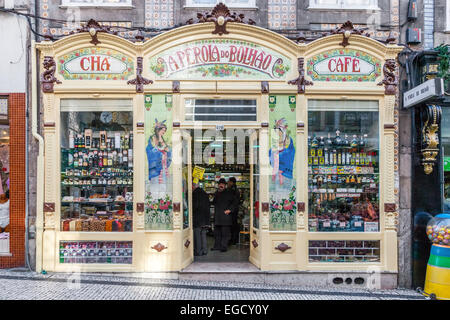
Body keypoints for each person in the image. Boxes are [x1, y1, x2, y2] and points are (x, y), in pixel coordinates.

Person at [211, 178, 238, 252]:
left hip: (226, 217)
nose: (221, 185)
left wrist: (230, 210)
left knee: (225, 233)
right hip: (218, 216)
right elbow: (214, 202)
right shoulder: (217, 193)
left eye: (222, 184)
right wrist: (217, 193)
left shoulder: (230, 192)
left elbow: (235, 203)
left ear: (225, 185)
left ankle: (223, 247)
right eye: (220, 184)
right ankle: (217, 246)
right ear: (218, 185)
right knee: (217, 233)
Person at [192, 183, 210, 256]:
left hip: (198, 217)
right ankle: (204, 250)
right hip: (205, 218)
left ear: (193, 186)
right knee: (203, 234)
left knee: (197, 234)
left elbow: (195, 206)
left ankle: (198, 251)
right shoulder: (205, 193)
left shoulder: (195, 194)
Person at [227, 177, 240, 245]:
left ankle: (233, 240)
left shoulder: (232, 190)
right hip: (234, 210)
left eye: (229, 181)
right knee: (234, 224)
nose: (228, 183)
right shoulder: (236, 189)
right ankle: (234, 239)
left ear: (232, 182)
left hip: (232, 210)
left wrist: (229, 209)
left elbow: (232, 201)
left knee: (232, 225)